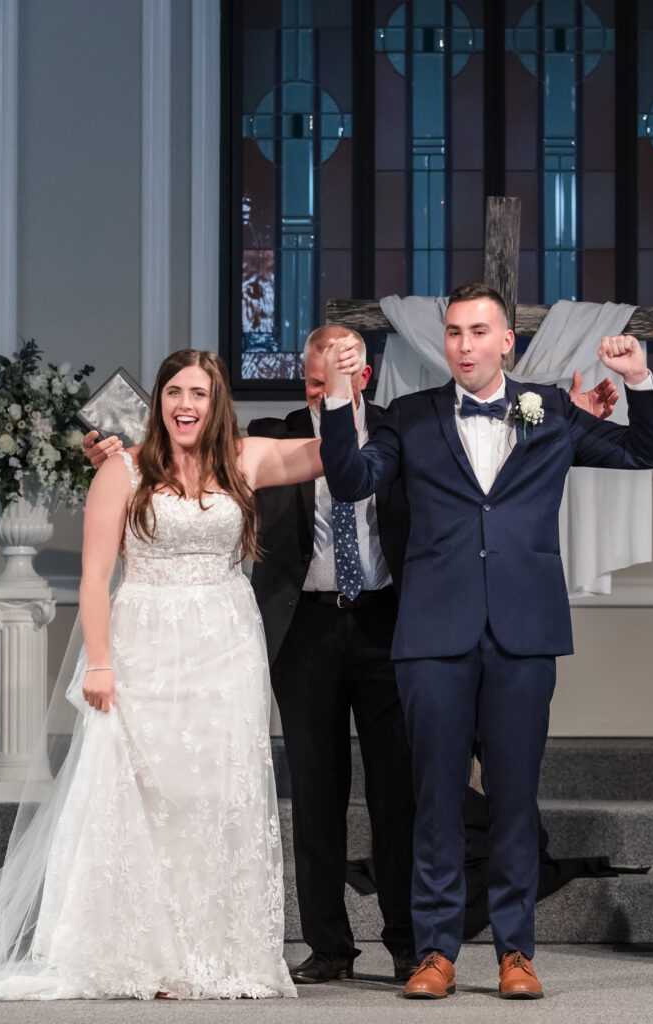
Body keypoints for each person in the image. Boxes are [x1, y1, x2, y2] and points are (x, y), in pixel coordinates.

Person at [318, 282, 653, 1001]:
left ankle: (516, 952)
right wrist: (333, 397)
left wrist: (637, 378)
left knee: (514, 798)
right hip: (431, 633)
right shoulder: (409, 417)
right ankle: (436, 953)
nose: (463, 345)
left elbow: (646, 452)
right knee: (435, 799)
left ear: (505, 341)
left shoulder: (548, 410)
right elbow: (352, 477)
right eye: (453, 333)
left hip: (522, 630)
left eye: (478, 332)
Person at [0, 349, 324, 1002]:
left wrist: (342, 386)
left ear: (217, 402)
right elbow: (95, 576)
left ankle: (214, 952)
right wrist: (98, 661)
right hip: (144, 642)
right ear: (159, 401)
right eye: (174, 391)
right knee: (146, 793)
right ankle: (143, 949)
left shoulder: (246, 457)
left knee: (216, 792)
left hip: (225, 643)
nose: (186, 404)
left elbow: (332, 453)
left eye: (199, 393)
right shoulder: (121, 469)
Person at [247, 326, 417, 984]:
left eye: (333, 384)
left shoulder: (398, 433)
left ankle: (405, 942)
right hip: (306, 629)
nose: (317, 395)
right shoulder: (275, 433)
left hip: (387, 624)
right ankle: (328, 945)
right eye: (311, 382)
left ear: (364, 381)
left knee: (394, 794)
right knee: (315, 792)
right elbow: (194, 457)